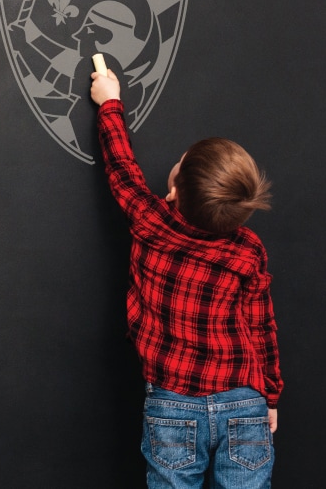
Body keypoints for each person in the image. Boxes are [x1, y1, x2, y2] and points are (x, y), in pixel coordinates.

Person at [90, 70, 283, 489]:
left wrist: (109, 104)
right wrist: (270, 395)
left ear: (174, 190)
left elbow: (122, 170)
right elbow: (262, 327)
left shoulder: (151, 222)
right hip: (244, 400)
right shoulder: (247, 250)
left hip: (173, 403)